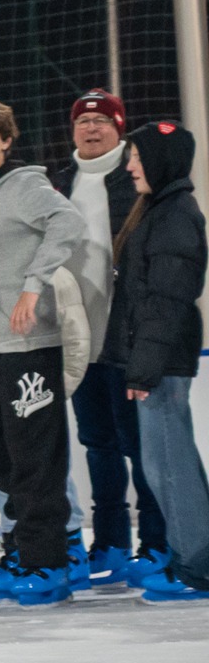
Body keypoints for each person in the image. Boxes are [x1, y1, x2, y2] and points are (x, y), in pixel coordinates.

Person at [0, 98, 105, 606]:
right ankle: (20, 551)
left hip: (27, 345)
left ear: (6, 141)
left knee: (36, 461)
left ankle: (48, 563)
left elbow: (68, 224)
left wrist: (34, 285)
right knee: (3, 462)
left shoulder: (24, 186)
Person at [50, 89, 166, 585]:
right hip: (80, 340)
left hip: (127, 338)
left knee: (138, 446)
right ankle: (112, 543)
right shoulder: (58, 183)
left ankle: (156, 543)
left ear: (120, 129)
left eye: (102, 121)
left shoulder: (138, 178)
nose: (91, 128)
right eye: (83, 121)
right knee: (97, 444)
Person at [111, 120, 209, 601]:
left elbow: (166, 301)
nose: (131, 165)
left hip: (163, 363)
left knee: (170, 464)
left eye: (137, 156)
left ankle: (198, 567)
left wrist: (145, 367)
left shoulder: (175, 216)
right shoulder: (158, 211)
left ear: (161, 160)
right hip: (156, 359)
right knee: (161, 463)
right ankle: (190, 557)